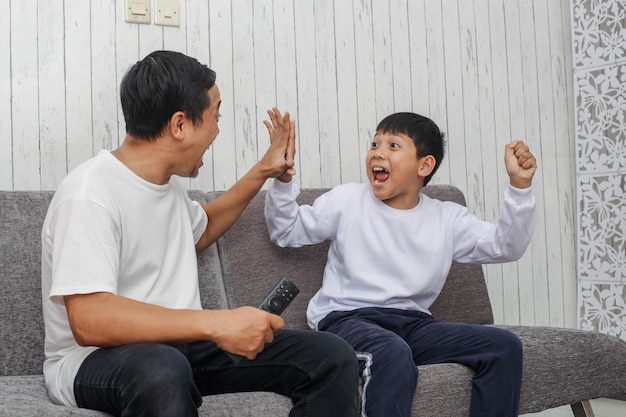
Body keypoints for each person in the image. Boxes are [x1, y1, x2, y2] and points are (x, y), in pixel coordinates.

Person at [41, 50, 359, 417]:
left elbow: (202, 229)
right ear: (180, 125)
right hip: (95, 362)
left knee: (331, 355)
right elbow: (90, 319)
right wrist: (217, 323)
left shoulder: (165, 186)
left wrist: (262, 171)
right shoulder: (89, 194)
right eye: (216, 116)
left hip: (179, 348)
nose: (218, 130)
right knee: (161, 368)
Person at [264, 112, 537, 417]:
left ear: (424, 165)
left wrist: (520, 188)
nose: (378, 152)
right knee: (391, 352)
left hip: (414, 324)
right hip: (346, 319)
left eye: (393, 145)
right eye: (375, 143)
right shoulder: (347, 200)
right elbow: (286, 231)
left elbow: (505, 246)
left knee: (504, 346)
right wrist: (283, 180)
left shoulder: (447, 217)